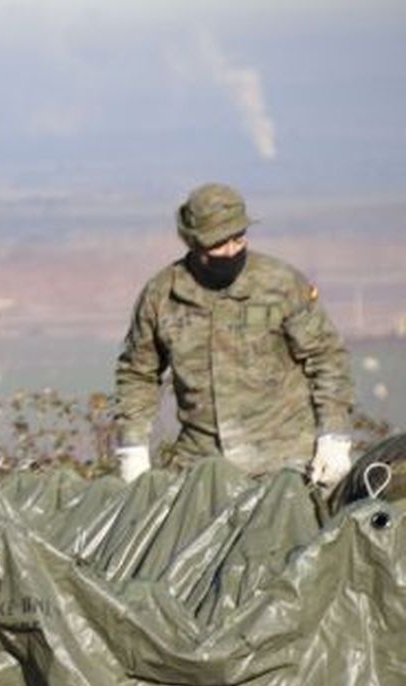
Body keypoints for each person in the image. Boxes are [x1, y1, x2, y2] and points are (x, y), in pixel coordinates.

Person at [113, 183, 355, 486]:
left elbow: (326, 358)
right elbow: (137, 373)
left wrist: (334, 435)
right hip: (201, 467)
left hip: (286, 462)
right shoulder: (162, 296)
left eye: (237, 239)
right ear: (193, 242)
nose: (229, 251)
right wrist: (132, 448)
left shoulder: (280, 284)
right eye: (217, 244)